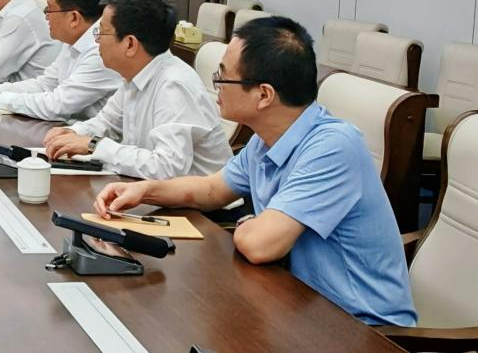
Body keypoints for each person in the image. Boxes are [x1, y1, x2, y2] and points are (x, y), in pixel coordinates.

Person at [93, 16, 416, 327]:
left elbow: (260, 245)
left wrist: (247, 224)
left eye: (223, 77)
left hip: (360, 327)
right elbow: (211, 190)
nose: (216, 86)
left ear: (264, 95)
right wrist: (144, 191)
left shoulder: (333, 147)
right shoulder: (266, 139)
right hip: (297, 305)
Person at [43, 0, 230, 179]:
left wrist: (93, 145)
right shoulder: (136, 74)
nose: (96, 40)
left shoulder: (174, 85)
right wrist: (70, 133)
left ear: (130, 44)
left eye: (102, 32)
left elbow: (167, 167)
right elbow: (105, 123)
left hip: (197, 197)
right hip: (149, 189)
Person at [0, 0, 121, 122]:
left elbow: (57, 105)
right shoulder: (74, 41)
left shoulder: (99, 50)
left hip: (91, 136)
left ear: (73, 18)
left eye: (49, 10)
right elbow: (45, 84)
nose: (46, 17)